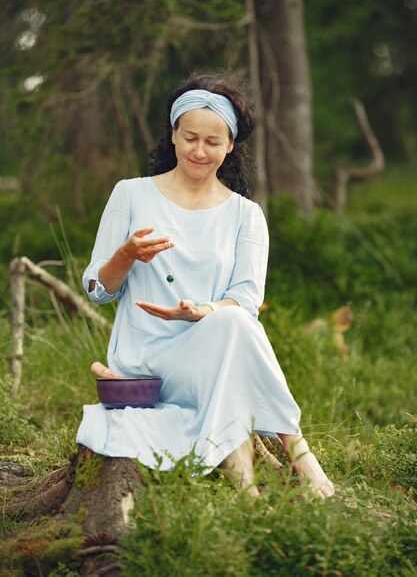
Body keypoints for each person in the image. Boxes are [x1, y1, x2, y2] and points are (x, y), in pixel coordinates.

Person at [76, 69, 334, 499]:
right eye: (190, 137)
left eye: (213, 142)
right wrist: (125, 255)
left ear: (230, 145)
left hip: (215, 353)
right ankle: (304, 461)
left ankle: (248, 493)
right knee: (233, 332)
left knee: (231, 324)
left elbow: (246, 301)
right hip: (148, 363)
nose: (199, 151)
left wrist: (203, 312)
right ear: (173, 135)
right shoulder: (131, 195)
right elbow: (98, 290)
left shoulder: (245, 215)